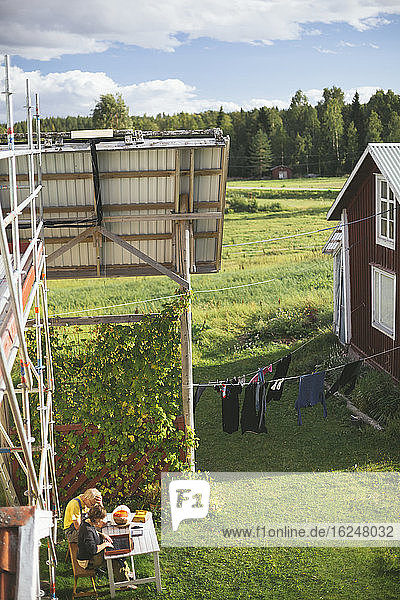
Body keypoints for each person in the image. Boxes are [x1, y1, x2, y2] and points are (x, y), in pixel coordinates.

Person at [77, 505, 136, 588]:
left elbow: (92, 533)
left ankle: (125, 573)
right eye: (101, 519)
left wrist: (101, 535)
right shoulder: (87, 530)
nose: (102, 521)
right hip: (88, 560)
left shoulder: (87, 521)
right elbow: (93, 550)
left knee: (118, 554)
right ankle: (124, 585)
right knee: (115, 558)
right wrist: (105, 544)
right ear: (96, 518)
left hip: (89, 554)